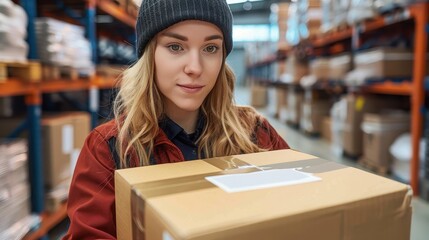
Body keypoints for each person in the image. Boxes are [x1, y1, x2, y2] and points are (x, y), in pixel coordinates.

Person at [63, 0, 289, 239]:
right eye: (175, 47)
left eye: (210, 48)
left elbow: (303, 207)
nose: (195, 67)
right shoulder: (109, 149)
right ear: (150, 55)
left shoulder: (255, 133)